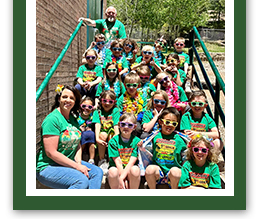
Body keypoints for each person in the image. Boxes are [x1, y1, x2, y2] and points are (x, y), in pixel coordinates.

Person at [36, 85, 103, 189]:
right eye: (64, 97)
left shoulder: (73, 118)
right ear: (59, 99)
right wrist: (76, 167)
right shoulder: (52, 120)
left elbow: (78, 145)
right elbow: (51, 153)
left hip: (68, 162)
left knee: (97, 172)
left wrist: (79, 163)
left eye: (72, 98)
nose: (68, 100)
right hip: (48, 166)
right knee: (81, 181)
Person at [145, 107, 187, 189]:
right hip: (158, 171)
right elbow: (146, 148)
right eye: (167, 122)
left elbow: (185, 155)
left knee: (175, 171)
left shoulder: (179, 139)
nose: (170, 125)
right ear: (160, 122)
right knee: (150, 169)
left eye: (174, 123)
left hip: (172, 172)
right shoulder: (155, 136)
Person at [108, 113, 142, 189]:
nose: (126, 127)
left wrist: (123, 178)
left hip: (130, 171)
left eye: (130, 125)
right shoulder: (113, 142)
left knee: (135, 169)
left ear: (134, 127)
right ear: (119, 125)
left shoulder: (136, 141)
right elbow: (118, 163)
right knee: (112, 171)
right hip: (117, 170)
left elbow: (131, 162)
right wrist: (121, 178)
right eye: (123, 124)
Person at [92, 90, 120, 175]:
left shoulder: (115, 111)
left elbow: (116, 126)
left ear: (114, 102)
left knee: (113, 137)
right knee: (102, 135)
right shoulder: (98, 111)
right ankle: (102, 160)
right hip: (102, 133)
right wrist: (97, 138)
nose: (107, 104)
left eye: (110, 101)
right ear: (101, 101)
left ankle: (111, 160)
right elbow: (97, 125)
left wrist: (117, 137)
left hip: (111, 133)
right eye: (105, 101)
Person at [116, 72, 147, 136]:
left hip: (136, 120)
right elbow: (119, 111)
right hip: (124, 120)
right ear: (125, 85)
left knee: (137, 128)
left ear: (138, 86)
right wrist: (126, 118)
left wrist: (136, 118)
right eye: (128, 85)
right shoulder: (122, 98)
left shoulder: (142, 99)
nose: (131, 88)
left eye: (134, 85)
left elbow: (143, 111)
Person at [77, 96, 96, 164]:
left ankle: (91, 159)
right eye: (84, 106)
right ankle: (79, 158)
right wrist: (79, 128)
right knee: (84, 135)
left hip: (90, 138)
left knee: (90, 133)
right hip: (80, 137)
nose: (86, 108)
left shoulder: (92, 117)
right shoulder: (76, 116)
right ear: (80, 106)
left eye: (89, 107)